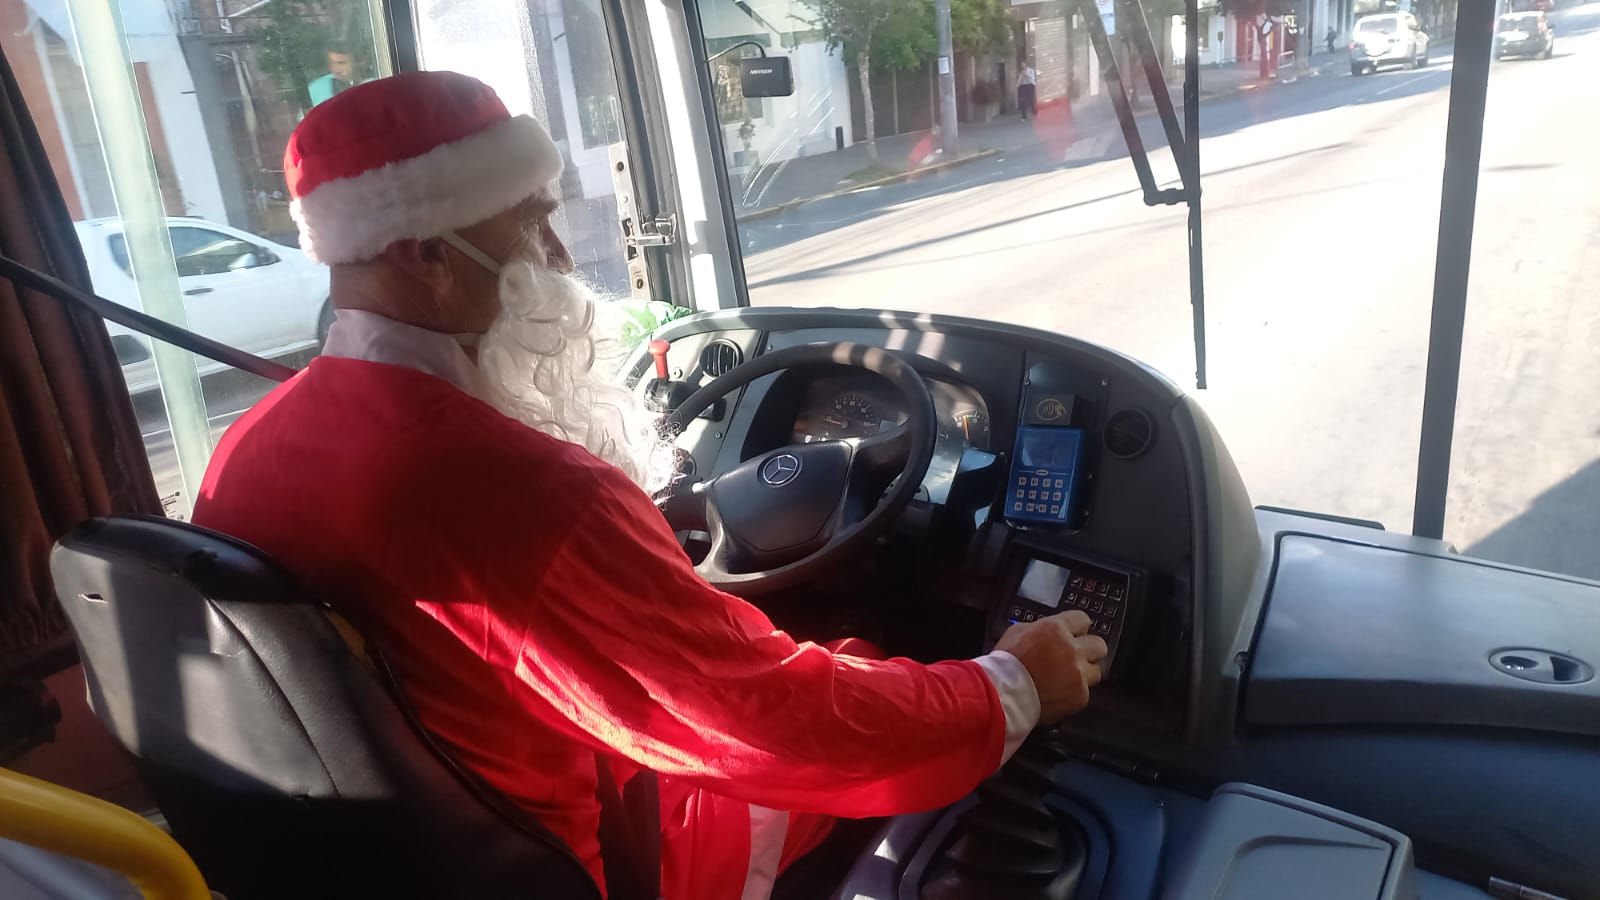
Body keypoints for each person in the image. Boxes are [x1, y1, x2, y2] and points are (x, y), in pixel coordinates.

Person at [192, 71, 1106, 900]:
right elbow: (767, 724)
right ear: (426, 252)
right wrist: (1005, 690)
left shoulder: (250, 443)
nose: (554, 255)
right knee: (855, 682)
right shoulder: (515, 490)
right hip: (586, 862)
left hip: (376, 859)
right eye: (527, 220)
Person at [307, 43, 362, 108]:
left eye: (341, 63)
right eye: (331, 62)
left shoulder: (372, 85)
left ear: (357, 62)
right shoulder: (315, 88)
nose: (335, 70)